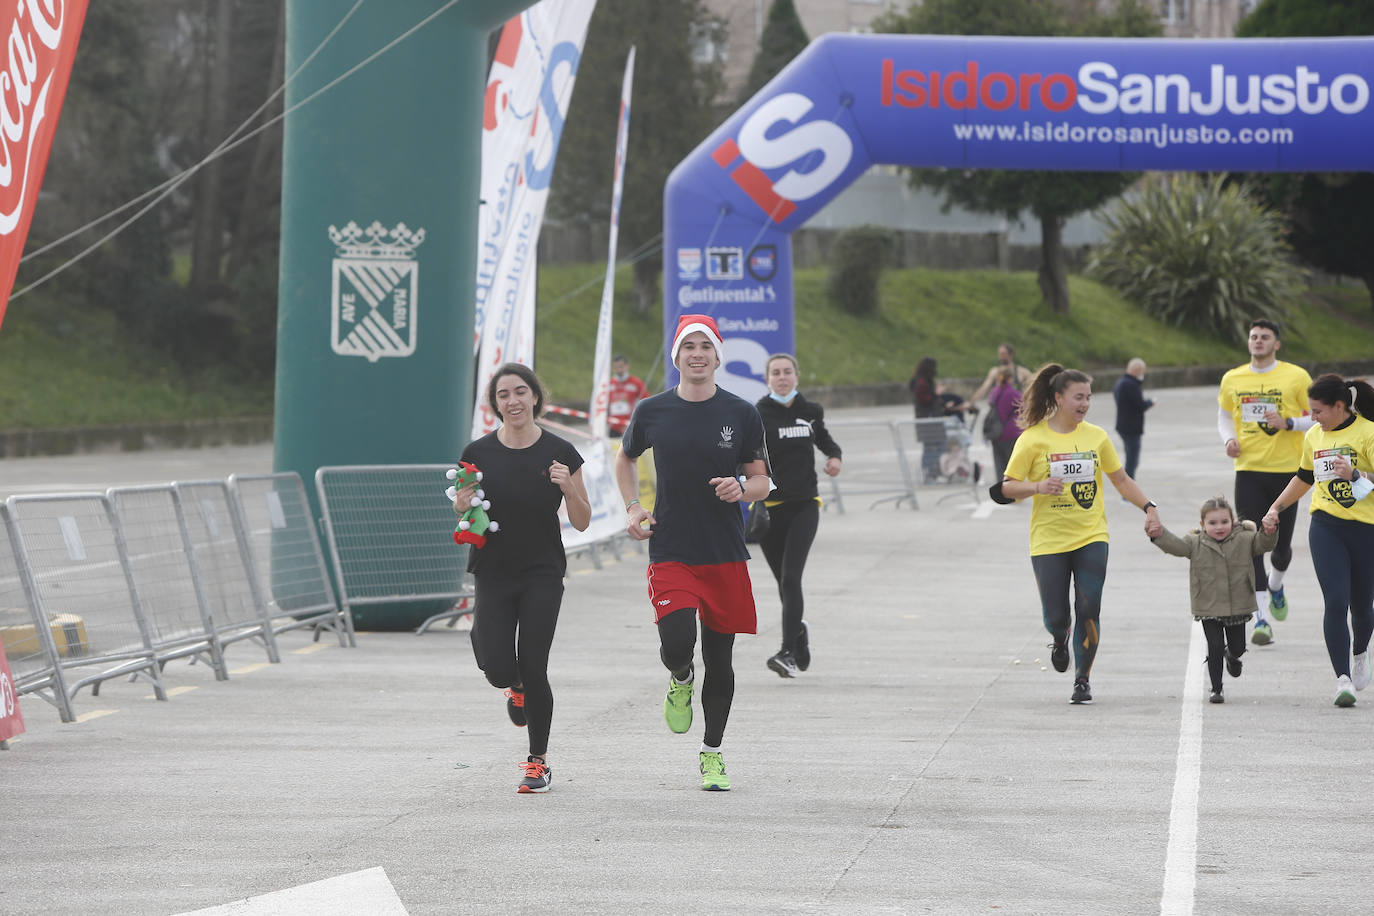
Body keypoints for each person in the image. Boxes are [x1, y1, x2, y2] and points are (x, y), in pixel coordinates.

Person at [614, 314, 770, 791]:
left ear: (717, 356)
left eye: (705, 347)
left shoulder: (742, 412)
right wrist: (633, 507)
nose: (697, 355)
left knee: (720, 660)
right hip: (671, 547)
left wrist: (741, 488)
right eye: (688, 347)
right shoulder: (652, 410)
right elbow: (625, 459)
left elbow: (763, 481)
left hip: (723, 551)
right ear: (677, 357)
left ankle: (713, 754)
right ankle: (680, 677)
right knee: (678, 642)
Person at [455, 362, 591, 794]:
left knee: (535, 664)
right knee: (495, 663)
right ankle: (512, 687)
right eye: (503, 395)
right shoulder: (477, 452)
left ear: (535, 396)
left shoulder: (561, 453)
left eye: (519, 392)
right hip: (492, 570)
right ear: (495, 404)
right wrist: (460, 505)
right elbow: (466, 507)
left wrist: (569, 488)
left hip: (542, 573)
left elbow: (583, 521)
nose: (512, 401)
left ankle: (538, 762)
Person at [994, 364, 1159, 705]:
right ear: (1058, 398)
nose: (1085, 404)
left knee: (1089, 607)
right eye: (1078, 397)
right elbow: (1005, 488)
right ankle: (1059, 638)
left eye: (1088, 397)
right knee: (1056, 616)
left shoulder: (1096, 437)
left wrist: (1149, 507)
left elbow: (1122, 481)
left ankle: (1082, 679)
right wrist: (1038, 486)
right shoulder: (1033, 439)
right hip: (1049, 540)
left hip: (1091, 535)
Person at [1262, 375, 1374, 708]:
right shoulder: (1313, 436)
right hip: (1326, 526)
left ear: (1340, 407)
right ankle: (1343, 680)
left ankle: (1360, 653)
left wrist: (1355, 475)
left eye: (1318, 411)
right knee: (1336, 602)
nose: (1312, 418)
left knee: (1363, 609)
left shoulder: (1368, 432)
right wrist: (1276, 507)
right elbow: (1304, 477)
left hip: (1366, 529)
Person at [1218, 319, 1313, 646]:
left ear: (1277, 344)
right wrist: (1228, 439)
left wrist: (1288, 422)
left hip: (1288, 471)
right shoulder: (1233, 378)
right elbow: (1224, 415)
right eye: (1254, 336)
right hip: (1248, 469)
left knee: (1281, 548)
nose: (1258, 341)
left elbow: (1316, 416)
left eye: (1265, 337)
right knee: (1251, 542)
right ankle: (1261, 619)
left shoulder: (1296, 376)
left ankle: (1276, 585)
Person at [754, 353, 842, 679]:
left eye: (787, 372)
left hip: (804, 505)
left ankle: (787, 652)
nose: (781, 377)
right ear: (767, 379)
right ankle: (799, 632)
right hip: (769, 511)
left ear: (797, 376)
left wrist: (834, 457)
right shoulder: (757, 414)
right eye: (775, 373)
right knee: (783, 584)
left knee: (792, 578)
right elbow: (744, 456)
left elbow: (827, 442)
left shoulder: (811, 412)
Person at [1147, 496, 1277, 704]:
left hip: (1238, 605)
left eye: (1224, 522)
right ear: (1202, 525)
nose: (1219, 527)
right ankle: (1217, 688)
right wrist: (1159, 534)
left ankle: (1232, 656)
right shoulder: (1195, 542)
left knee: (1238, 646)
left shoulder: (1245, 538)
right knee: (1214, 646)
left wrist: (1269, 531)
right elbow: (1176, 546)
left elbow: (1263, 544)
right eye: (1212, 523)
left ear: (1233, 521)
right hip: (1208, 605)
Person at [1113, 358, 1154, 480]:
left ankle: (1127, 490)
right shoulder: (1132, 385)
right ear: (1137, 370)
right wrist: (1149, 403)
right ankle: (1127, 492)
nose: (1143, 375)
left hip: (1123, 425)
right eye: (1142, 371)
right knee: (1132, 461)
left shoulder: (1120, 382)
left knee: (1130, 459)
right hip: (1131, 427)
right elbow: (1140, 405)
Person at [986, 365, 1023, 483]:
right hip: (1010, 432)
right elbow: (1024, 407)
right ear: (1011, 378)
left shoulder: (995, 392)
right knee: (1013, 465)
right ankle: (1014, 491)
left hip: (995, 432)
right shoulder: (1012, 393)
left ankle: (1001, 490)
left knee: (999, 463)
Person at [909, 357, 943, 483]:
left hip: (924, 418)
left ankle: (929, 471)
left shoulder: (919, 380)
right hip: (928, 419)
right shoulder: (922, 382)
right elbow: (924, 399)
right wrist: (936, 395)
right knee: (932, 447)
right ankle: (927, 472)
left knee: (930, 447)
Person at [607, 354, 650, 438]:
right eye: (615, 367)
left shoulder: (636, 383)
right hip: (614, 428)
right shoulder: (609, 384)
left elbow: (646, 401)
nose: (618, 370)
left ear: (627, 366)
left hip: (631, 426)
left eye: (621, 366)